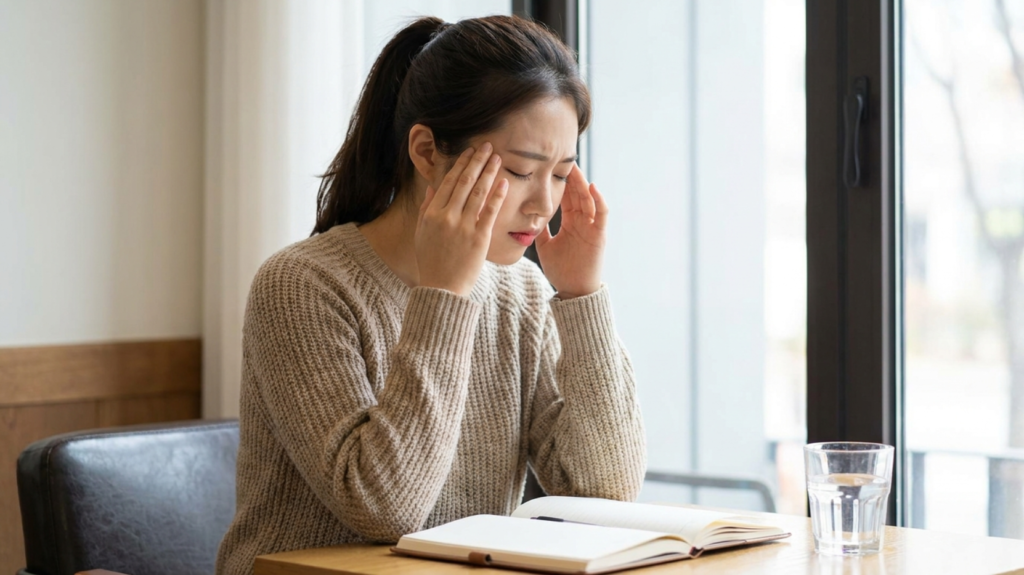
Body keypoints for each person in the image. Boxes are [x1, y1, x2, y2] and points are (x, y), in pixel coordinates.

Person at [216, 14, 646, 575]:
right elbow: (385, 509)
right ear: (426, 151)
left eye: (562, 175)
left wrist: (581, 296)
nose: (544, 205)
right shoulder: (302, 286)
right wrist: (445, 293)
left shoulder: (520, 292)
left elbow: (604, 494)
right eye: (520, 170)